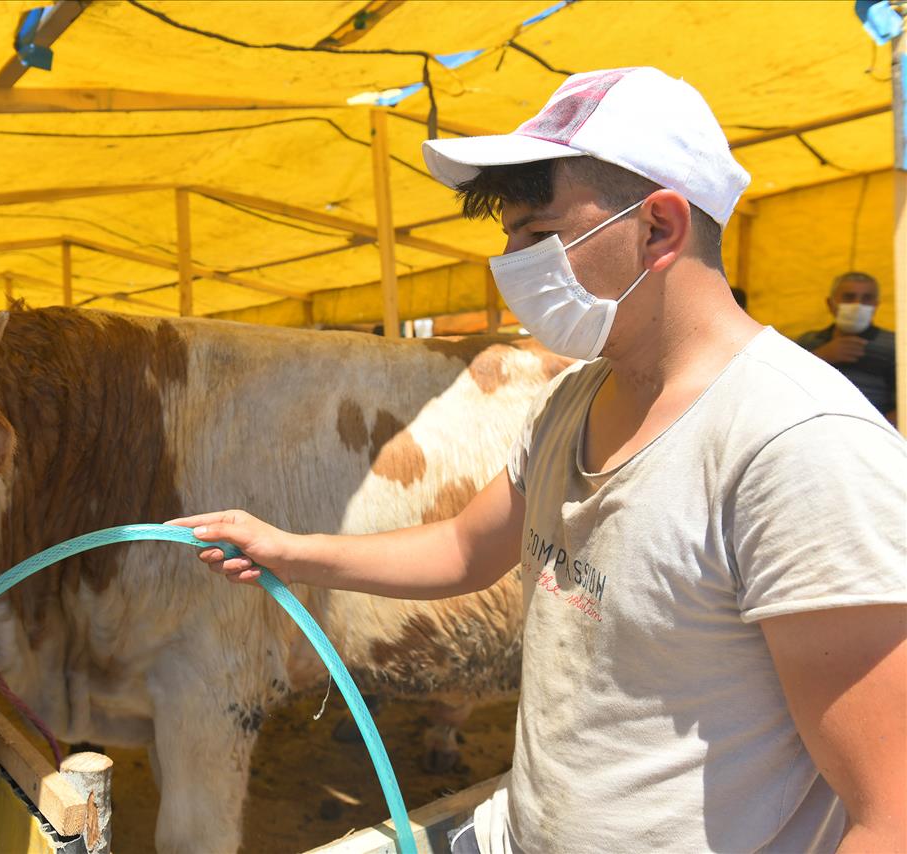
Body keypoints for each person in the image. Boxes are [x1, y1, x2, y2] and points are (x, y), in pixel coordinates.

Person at [171, 67, 906, 853]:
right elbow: (463, 548)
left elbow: (888, 811)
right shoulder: (576, 401)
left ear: (658, 228)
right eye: (508, 236)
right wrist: (290, 549)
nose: (512, 263)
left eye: (538, 236)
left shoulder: (796, 448)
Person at [797, 272, 897, 424]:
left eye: (867, 299)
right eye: (849, 297)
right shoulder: (808, 342)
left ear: (876, 306)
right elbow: (783, 389)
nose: (858, 305)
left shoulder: (895, 345)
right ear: (830, 304)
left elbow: (902, 407)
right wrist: (820, 357)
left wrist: (875, 432)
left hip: (874, 435)